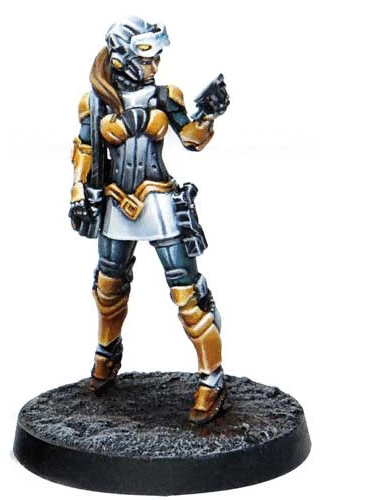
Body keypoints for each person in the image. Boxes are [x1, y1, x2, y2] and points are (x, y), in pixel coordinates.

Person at [68, 16, 230, 424]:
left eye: (157, 58)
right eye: (146, 58)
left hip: (157, 201)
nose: (154, 65)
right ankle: (106, 355)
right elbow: (84, 149)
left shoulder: (164, 96)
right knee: (108, 288)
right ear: (121, 59)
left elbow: (190, 139)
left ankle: (212, 379)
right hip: (116, 201)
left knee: (188, 295)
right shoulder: (96, 101)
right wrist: (78, 192)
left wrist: (208, 117)